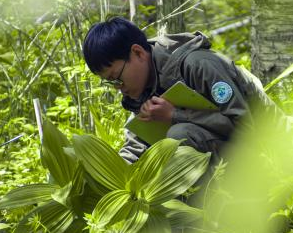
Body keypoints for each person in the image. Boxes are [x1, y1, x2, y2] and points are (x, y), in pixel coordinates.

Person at [81, 18, 279, 163]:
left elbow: (246, 128)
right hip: (229, 156)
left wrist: (174, 116)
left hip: (271, 149)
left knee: (180, 134)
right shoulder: (142, 87)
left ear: (138, 53)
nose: (118, 87)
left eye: (116, 77)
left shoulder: (198, 65)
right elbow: (137, 146)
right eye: (109, 82)